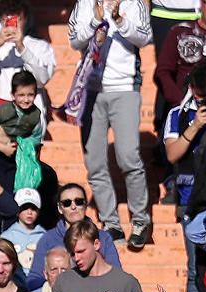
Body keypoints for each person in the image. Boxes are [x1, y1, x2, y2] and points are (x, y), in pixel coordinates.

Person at [67, 0, 153, 249]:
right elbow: (74, 41)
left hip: (125, 87)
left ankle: (140, 220)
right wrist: (95, 20)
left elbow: (144, 38)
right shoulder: (84, 3)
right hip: (91, 89)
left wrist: (118, 19)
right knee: (94, 161)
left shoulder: (133, 3)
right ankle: (110, 222)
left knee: (128, 157)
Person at [53, 222, 150, 292]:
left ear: (96, 244)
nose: (77, 258)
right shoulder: (63, 281)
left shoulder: (126, 283)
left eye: (81, 251)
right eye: (72, 254)